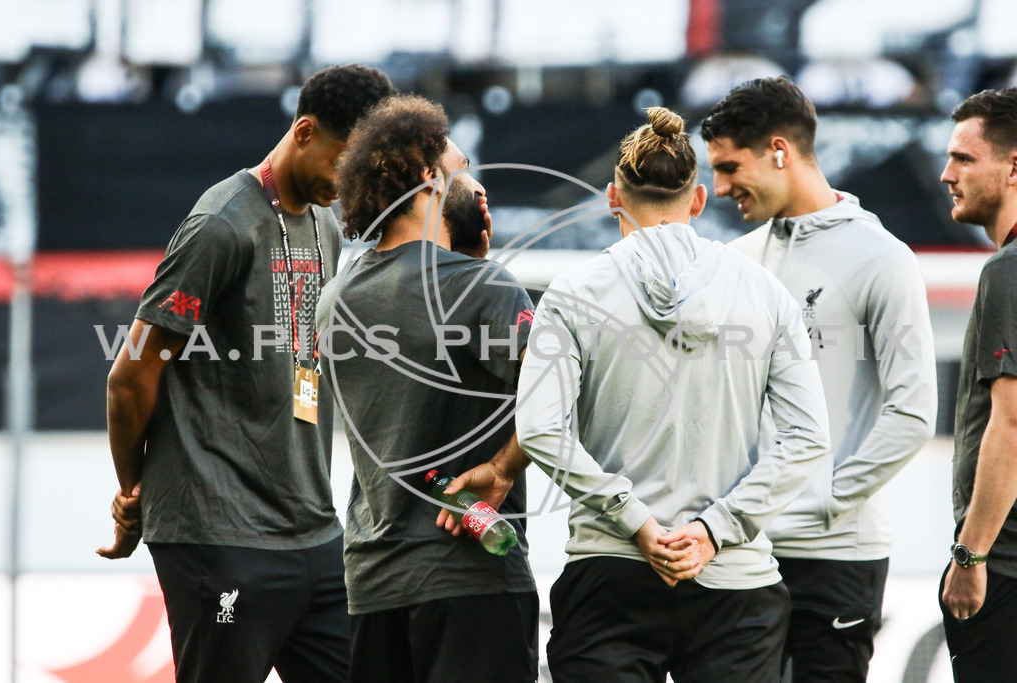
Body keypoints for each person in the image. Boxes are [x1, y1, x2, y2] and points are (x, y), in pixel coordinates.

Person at [97, 64, 395, 683]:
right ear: (306, 131)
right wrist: (133, 492)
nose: (350, 183)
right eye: (346, 163)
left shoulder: (325, 224)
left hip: (313, 532)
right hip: (220, 536)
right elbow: (131, 376)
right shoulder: (222, 224)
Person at [514, 106, 831, 682]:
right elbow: (808, 440)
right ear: (698, 200)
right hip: (735, 582)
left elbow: (539, 429)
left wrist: (636, 521)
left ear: (613, 197)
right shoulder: (767, 293)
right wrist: (714, 531)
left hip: (611, 573)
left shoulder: (572, 293)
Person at [701, 76, 938, 682]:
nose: (720, 187)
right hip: (742, 555)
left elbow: (912, 413)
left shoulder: (883, 258)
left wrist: (822, 501)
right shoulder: (734, 262)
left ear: (779, 151)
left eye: (729, 167)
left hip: (837, 557)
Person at [315, 94, 538, 682]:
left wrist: (467, 266)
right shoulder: (483, 288)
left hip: (372, 583)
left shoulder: (335, 299)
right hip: (471, 579)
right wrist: (506, 466)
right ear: (426, 176)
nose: (475, 183)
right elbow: (559, 399)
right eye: (463, 168)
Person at [938, 86, 1017, 682]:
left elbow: (1010, 423)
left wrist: (971, 554)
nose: (946, 174)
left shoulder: (1007, 271)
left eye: (964, 158)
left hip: (1006, 567)